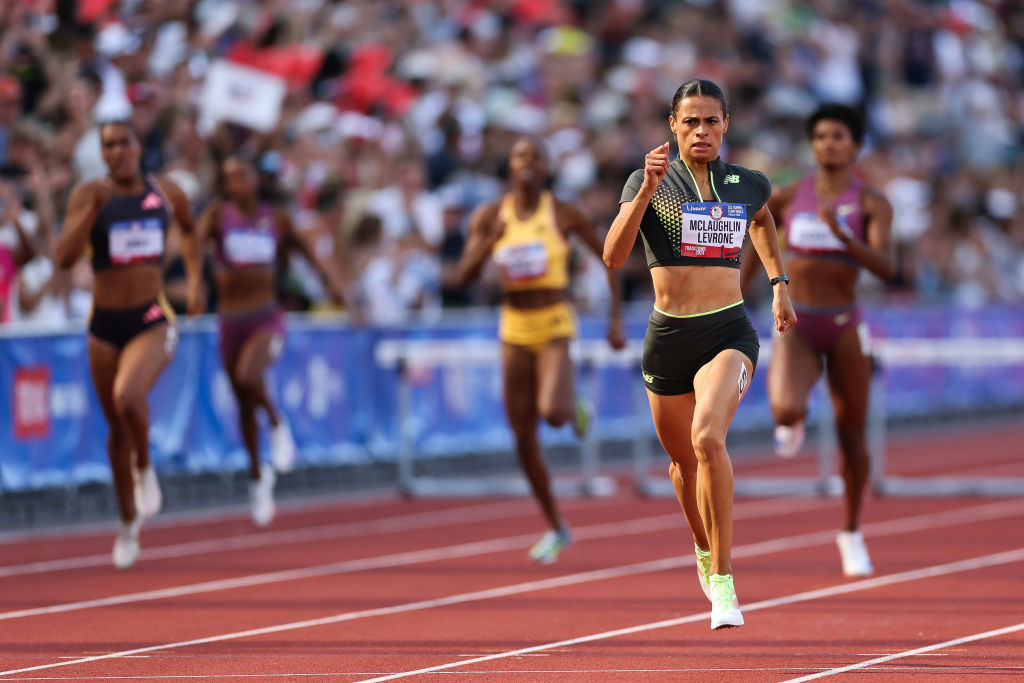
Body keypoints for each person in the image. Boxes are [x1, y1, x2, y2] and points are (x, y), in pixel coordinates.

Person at [603, 79, 796, 629]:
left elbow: (762, 220)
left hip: (728, 331)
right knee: (683, 465)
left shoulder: (747, 182)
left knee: (708, 439)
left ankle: (725, 581)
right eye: (690, 122)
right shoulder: (651, 181)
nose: (701, 131)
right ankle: (703, 548)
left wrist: (779, 282)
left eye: (711, 121)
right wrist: (643, 194)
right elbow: (614, 257)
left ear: (726, 125)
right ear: (673, 126)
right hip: (668, 337)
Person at [457, 138, 625, 564]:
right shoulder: (489, 215)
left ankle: (570, 403)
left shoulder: (564, 213)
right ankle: (555, 526)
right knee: (523, 435)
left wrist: (615, 318)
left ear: (547, 165)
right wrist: (486, 241)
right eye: (519, 157)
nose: (528, 164)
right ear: (509, 166)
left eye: (535, 157)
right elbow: (461, 277)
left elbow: (611, 256)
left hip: (554, 322)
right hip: (514, 326)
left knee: (552, 413)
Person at [746, 103, 895, 577]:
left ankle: (850, 531)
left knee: (853, 435)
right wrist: (738, 292)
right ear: (811, 145)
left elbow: (888, 269)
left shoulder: (872, 203)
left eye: (838, 136)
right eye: (821, 137)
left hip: (846, 324)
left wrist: (843, 237)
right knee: (786, 410)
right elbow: (758, 239)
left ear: (855, 146)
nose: (828, 143)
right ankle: (793, 416)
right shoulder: (789, 197)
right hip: (798, 321)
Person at [57, 120, 203, 569]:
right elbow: (63, 259)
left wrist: (195, 280)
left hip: (151, 317)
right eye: (108, 145)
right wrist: (90, 211)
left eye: (124, 142)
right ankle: (126, 522)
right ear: (101, 153)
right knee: (116, 431)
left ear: (140, 146)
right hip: (103, 325)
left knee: (128, 395)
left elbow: (191, 231)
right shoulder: (89, 194)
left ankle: (145, 464)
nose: (118, 151)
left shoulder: (167, 192)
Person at [197, 155, 350, 527]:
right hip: (229, 320)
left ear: (254, 179)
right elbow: (191, 245)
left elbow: (307, 253)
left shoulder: (275, 218)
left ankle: (280, 426)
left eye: (242, 176)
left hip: (266, 316)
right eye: (229, 178)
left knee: (251, 377)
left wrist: (332, 287)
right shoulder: (218, 215)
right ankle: (256, 477)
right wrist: (192, 280)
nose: (236, 184)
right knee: (243, 402)